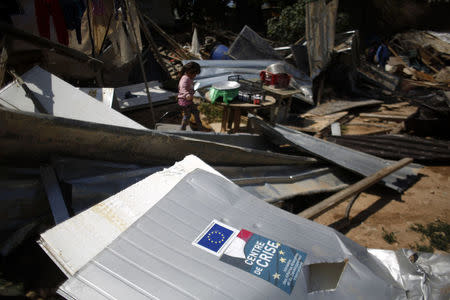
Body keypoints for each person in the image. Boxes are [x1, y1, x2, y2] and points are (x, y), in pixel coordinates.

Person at [178, 62, 203, 131]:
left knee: (196, 112)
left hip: (188, 101)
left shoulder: (188, 78)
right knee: (187, 116)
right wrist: (187, 95)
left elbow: (189, 86)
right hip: (185, 101)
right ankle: (182, 129)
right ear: (189, 72)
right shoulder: (185, 79)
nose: (195, 76)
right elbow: (182, 88)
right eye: (194, 74)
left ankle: (199, 127)